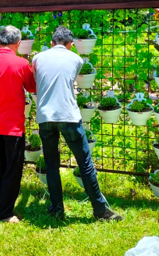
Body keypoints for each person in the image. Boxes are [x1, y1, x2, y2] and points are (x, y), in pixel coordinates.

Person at [32, 26, 124, 221]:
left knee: (51, 165)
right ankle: (100, 210)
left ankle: (57, 208)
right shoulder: (76, 59)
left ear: (51, 42)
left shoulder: (37, 58)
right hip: (68, 116)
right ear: (71, 45)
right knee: (85, 164)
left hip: (45, 117)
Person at [0, 25, 37, 223]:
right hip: (13, 125)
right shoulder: (21, 63)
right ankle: (4, 212)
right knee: (13, 167)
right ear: (17, 43)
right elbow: (32, 86)